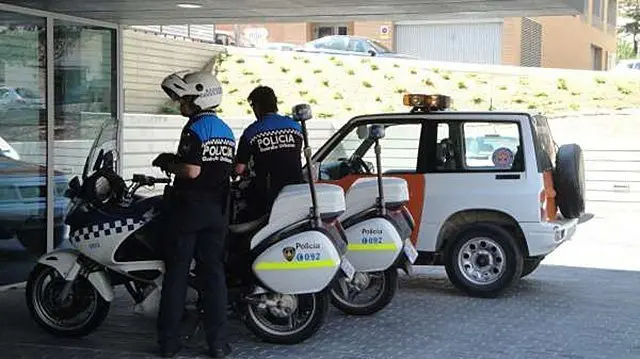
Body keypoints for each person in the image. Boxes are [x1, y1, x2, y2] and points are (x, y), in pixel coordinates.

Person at [152, 70, 234, 358]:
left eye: (185, 98)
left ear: (200, 98)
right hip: (218, 212)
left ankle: (169, 343)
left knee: (176, 275)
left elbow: (191, 170)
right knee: (213, 277)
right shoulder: (226, 130)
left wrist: (167, 162)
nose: (181, 104)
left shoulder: (195, 128)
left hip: (190, 211)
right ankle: (219, 343)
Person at [234, 86, 304, 221]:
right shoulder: (296, 127)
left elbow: (239, 168)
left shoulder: (252, 132)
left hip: (267, 194)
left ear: (257, 106)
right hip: (295, 190)